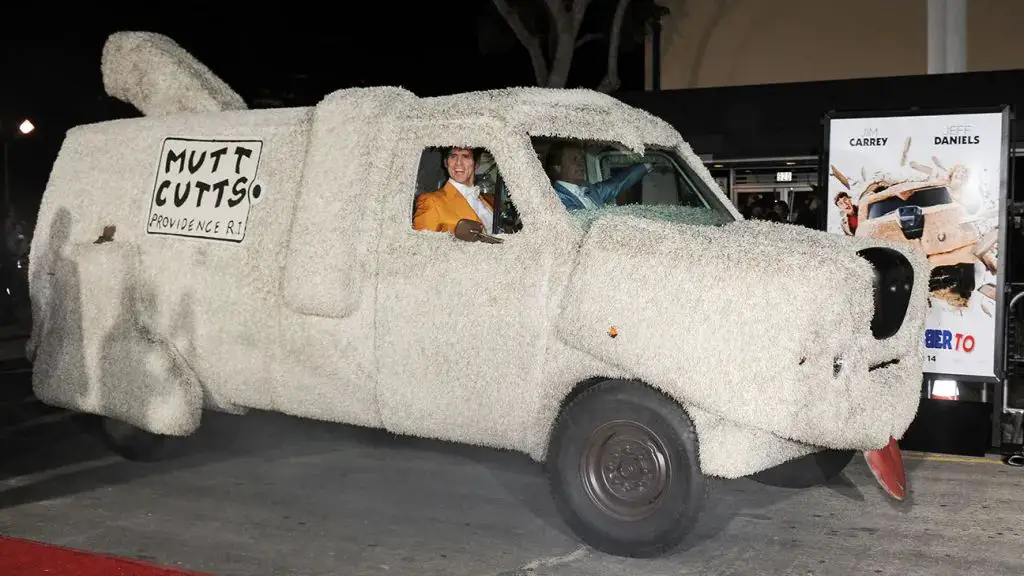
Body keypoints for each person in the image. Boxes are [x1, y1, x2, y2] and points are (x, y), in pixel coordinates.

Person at [545, 141, 649, 210]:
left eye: (582, 159)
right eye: (575, 159)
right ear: (557, 167)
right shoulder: (554, 198)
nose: (581, 164)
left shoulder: (590, 190)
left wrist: (647, 165)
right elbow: (579, 220)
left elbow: (616, 184)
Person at [413, 147, 495, 234]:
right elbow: (421, 245)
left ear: (476, 164)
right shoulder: (430, 201)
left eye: (465, 156)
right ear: (446, 163)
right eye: (453, 156)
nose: (458, 163)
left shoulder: (492, 201)